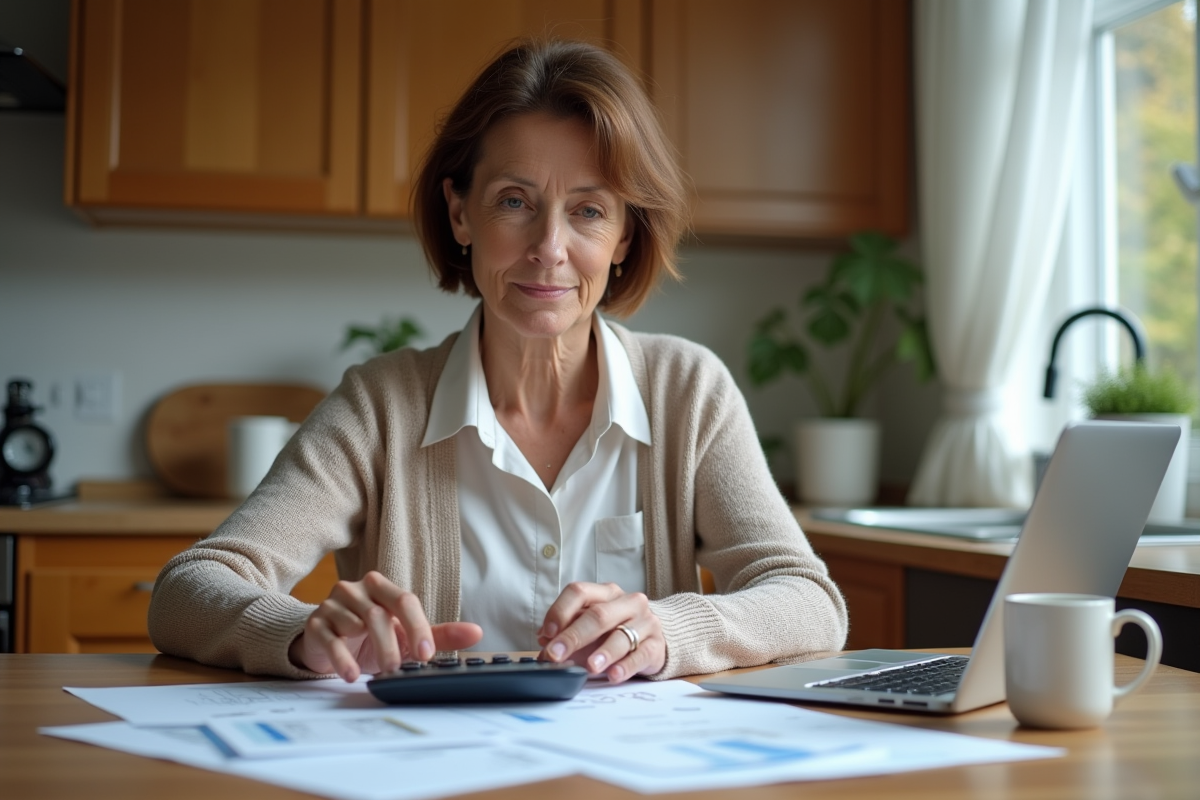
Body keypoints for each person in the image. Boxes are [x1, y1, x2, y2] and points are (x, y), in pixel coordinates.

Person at [148, 39, 847, 684]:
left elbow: (811, 602)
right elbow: (190, 589)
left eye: (588, 211)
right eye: (515, 201)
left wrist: (666, 628)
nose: (549, 246)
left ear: (626, 234)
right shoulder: (378, 406)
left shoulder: (689, 391)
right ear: (460, 215)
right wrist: (304, 632)